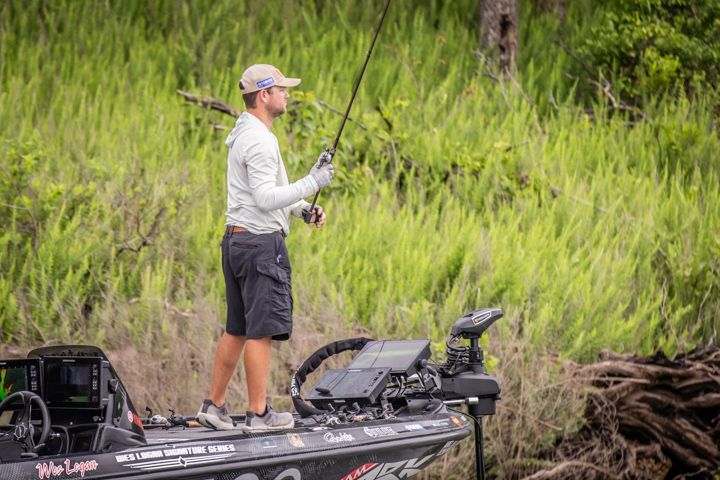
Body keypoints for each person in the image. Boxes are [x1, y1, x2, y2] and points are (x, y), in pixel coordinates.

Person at [196, 64, 334, 432]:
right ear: (264, 95)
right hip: (259, 246)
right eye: (281, 89)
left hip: (238, 242)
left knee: (237, 328)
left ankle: (214, 407)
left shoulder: (249, 132)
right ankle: (259, 415)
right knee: (261, 331)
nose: (287, 94)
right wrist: (313, 181)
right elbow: (265, 198)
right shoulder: (258, 140)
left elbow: (269, 194)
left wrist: (302, 209)